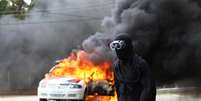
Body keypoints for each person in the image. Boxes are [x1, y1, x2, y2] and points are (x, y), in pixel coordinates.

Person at [110, 34, 156, 101]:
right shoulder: (116, 66)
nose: (117, 50)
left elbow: (148, 89)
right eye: (115, 47)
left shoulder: (140, 64)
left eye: (119, 46)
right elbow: (117, 88)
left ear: (127, 47)